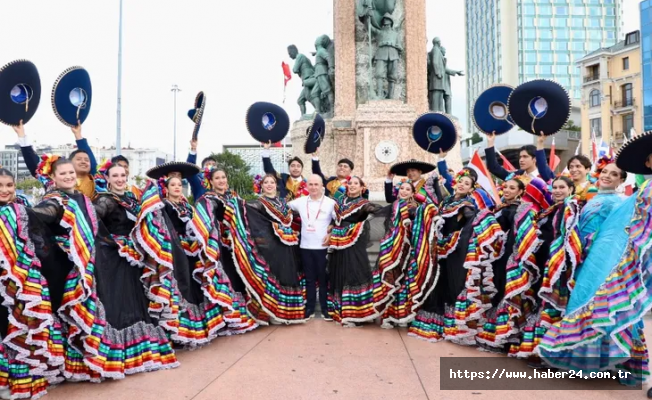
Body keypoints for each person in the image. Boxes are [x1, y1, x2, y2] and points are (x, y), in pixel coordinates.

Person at [537, 162, 647, 385]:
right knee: (582, 301)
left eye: (614, 174)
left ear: (621, 180)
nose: (607, 176)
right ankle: (584, 362)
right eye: (605, 172)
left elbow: (614, 236)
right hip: (582, 259)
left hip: (600, 261)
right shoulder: (591, 198)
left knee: (592, 302)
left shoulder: (618, 203)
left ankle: (608, 364)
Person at [135, 162, 252, 345]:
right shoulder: (163, 206)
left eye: (179, 185)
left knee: (193, 289)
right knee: (178, 289)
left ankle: (195, 329)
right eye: (173, 185)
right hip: (173, 253)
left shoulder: (188, 206)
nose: (177, 188)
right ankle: (176, 331)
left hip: (191, 253)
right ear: (165, 188)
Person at [92, 160, 179, 372]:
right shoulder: (106, 200)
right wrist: (110, 243)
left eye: (123, 175)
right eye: (115, 176)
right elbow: (91, 220)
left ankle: (141, 351)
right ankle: (116, 355)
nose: (120, 179)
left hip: (136, 257)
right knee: (119, 303)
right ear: (107, 179)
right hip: (116, 258)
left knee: (138, 302)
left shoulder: (131, 198)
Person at [409, 170, 504, 344]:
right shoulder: (447, 202)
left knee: (453, 285)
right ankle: (437, 325)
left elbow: (472, 218)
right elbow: (434, 200)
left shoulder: (466, 205)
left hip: (455, 250)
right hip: (440, 248)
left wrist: (485, 218)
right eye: (460, 181)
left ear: (470, 189)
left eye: (466, 184)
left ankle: (455, 327)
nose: (461, 185)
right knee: (439, 284)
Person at [0, 168, 62, 399]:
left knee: (21, 325)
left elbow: (39, 237)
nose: (5, 190)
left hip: (21, 278)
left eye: (9, 185)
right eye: (1, 186)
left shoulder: (21, 209)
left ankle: (22, 380)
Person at [507, 176, 583, 364]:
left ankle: (548, 355)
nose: (557, 190)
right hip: (543, 263)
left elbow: (569, 237)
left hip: (557, 267)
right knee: (539, 306)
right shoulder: (550, 210)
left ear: (571, 189)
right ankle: (536, 351)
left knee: (551, 307)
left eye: (562, 187)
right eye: (554, 187)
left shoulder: (571, 207)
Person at [476, 176, 544, 351]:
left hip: (510, 257)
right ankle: (493, 334)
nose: (507, 190)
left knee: (507, 292)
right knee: (496, 291)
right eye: (506, 187)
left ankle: (505, 337)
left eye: (512, 188)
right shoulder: (500, 207)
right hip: (496, 258)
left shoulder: (520, 210)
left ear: (521, 192)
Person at [191, 166, 259, 333]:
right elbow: (204, 219)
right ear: (211, 182)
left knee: (237, 280)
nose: (221, 181)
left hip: (235, 247)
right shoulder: (207, 199)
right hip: (220, 247)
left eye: (223, 177)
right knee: (224, 280)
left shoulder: (233, 197)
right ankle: (224, 318)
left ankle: (238, 315)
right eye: (217, 178)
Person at [326, 177, 392, 326]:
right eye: (350, 183)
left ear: (362, 187)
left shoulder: (363, 204)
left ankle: (355, 315)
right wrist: (331, 226)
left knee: (353, 273)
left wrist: (395, 207)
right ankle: (342, 312)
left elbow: (377, 210)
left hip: (353, 244)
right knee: (339, 274)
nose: (352, 185)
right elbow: (336, 218)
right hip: (337, 243)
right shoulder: (340, 201)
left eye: (356, 183)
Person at [288, 175, 336, 319]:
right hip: (305, 246)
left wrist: (332, 230)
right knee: (309, 279)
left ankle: (325, 309)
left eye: (316, 184)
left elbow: (339, 220)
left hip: (322, 247)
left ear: (322, 186)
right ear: (307, 186)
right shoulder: (300, 202)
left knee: (323, 279)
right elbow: (282, 208)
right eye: (311, 184)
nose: (313, 187)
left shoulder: (331, 203)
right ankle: (309, 309)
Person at [14, 120, 98, 197]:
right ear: (70, 164)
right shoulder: (54, 182)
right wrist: (21, 136)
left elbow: (93, 163)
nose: (83, 161)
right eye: (79, 159)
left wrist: (78, 135)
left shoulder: (96, 181)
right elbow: (35, 165)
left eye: (86, 160)